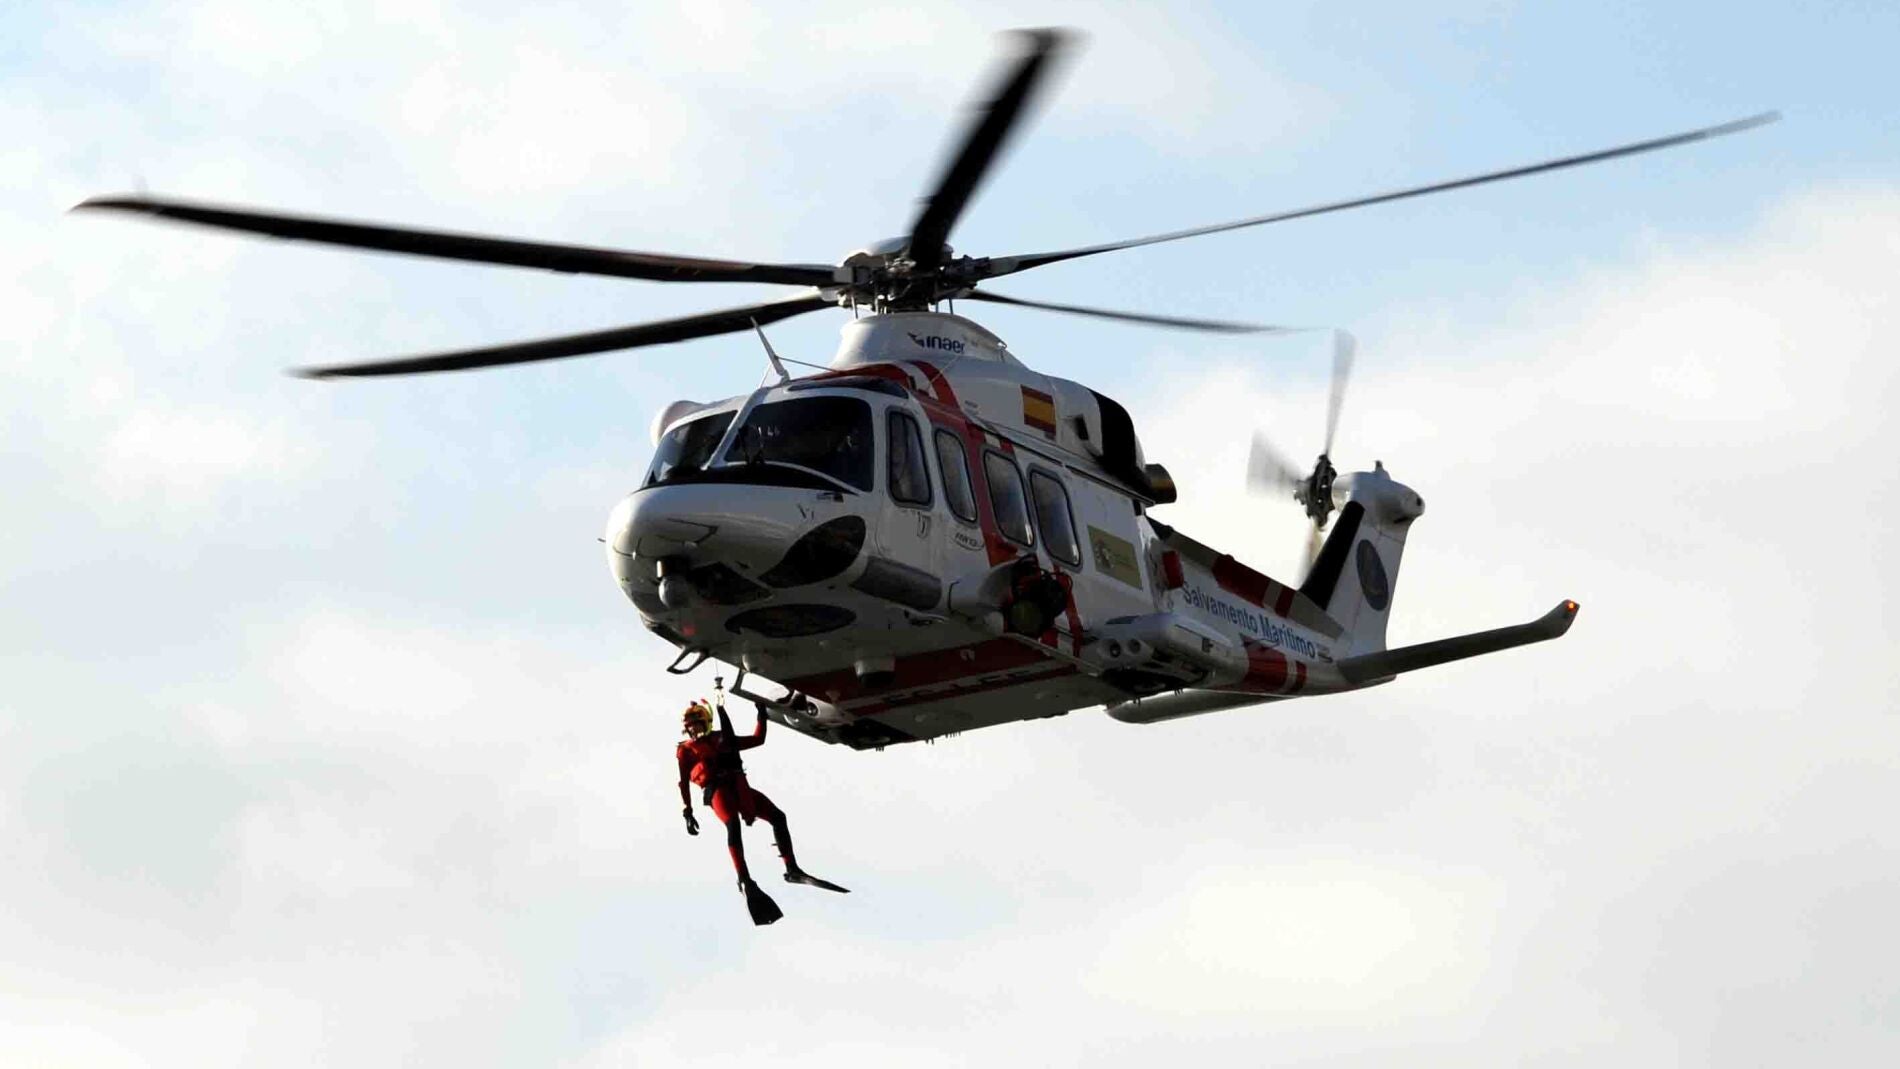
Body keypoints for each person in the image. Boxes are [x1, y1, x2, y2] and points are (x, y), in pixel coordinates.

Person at [677, 693, 846, 925]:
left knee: (778, 817)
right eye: (690, 727)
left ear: (705, 723)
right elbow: (683, 782)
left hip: (739, 787)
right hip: (717, 791)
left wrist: (761, 714)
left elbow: (758, 739)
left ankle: (792, 869)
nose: (693, 730)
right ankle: (744, 879)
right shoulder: (686, 750)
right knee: (733, 825)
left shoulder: (723, 739)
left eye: (696, 725)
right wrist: (687, 811)